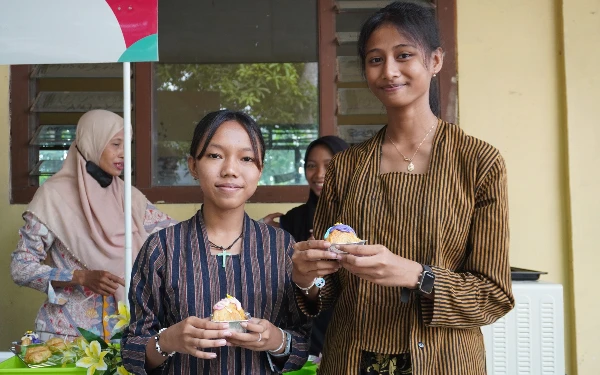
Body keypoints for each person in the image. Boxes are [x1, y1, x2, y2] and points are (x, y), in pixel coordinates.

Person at [290, 2, 514, 375]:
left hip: (444, 360)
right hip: (348, 358)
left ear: (435, 61)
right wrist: (305, 277)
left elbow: (492, 296)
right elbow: (329, 286)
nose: (389, 71)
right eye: (375, 59)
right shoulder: (346, 167)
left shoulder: (478, 161)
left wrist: (415, 274)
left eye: (404, 55)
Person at [121, 110, 310, 374]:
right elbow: (132, 352)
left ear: (260, 170)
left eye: (246, 158)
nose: (230, 170)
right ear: (193, 166)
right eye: (214, 155)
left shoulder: (281, 247)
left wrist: (276, 340)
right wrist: (169, 340)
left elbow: (301, 342)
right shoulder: (161, 248)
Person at [10, 109, 176, 341]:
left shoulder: (130, 198)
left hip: (126, 331)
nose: (124, 154)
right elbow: (21, 267)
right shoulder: (53, 197)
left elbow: (174, 238)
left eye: (127, 145)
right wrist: (79, 277)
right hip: (67, 335)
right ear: (92, 142)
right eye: (116, 144)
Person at [262, 136, 349, 368]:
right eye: (311, 165)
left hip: (351, 321)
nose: (319, 174)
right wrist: (266, 236)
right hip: (309, 325)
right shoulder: (294, 218)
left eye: (329, 165)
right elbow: (283, 274)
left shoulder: (362, 216)